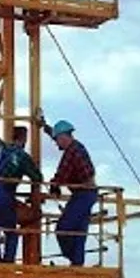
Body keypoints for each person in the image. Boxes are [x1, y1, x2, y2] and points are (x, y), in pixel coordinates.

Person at [38, 114, 97, 266]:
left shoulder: (71, 152)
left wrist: (54, 186)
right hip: (87, 193)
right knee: (78, 232)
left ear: (64, 137)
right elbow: (56, 135)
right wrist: (45, 126)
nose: (57, 145)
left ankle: (73, 257)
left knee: (63, 229)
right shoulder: (75, 146)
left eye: (58, 140)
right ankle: (77, 262)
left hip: (83, 194)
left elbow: (62, 173)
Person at [0, 125, 43, 263]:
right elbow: (37, 177)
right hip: (5, 193)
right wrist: (34, 195)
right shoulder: (21, 156)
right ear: (23, 139)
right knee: (11, 230)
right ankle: (8, 260)